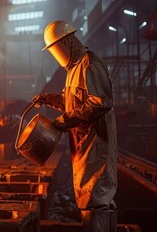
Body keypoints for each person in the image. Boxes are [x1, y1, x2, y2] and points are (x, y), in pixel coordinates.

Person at [33, 21, 117, 232]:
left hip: (96, 141)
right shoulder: (74, 68)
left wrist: (64, 121)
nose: (57, 54)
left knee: (95, 196)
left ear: (69, 42)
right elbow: (72, 101)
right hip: (82, 142)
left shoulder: (90, 64)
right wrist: (48, 99)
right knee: (93, 195)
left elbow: (100, 102)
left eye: (57, 48)